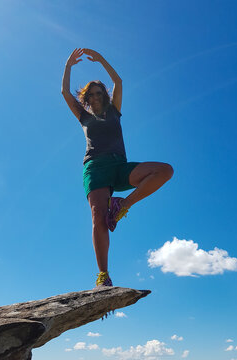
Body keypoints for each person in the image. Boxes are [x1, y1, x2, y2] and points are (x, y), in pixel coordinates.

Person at [61, 48, 174, 287]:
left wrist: (101, 59)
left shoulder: (114, 111)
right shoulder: (84, 116)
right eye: (90, 95)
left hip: (119, 165)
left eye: (99, 92)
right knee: (98, 217)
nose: (95, 97)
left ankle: (122, 204)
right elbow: (64, 92)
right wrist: (68, 66)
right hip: (95, 168)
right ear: (87, 99)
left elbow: (118, 81)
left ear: (105, 95)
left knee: (164, 170)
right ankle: (103, 275)